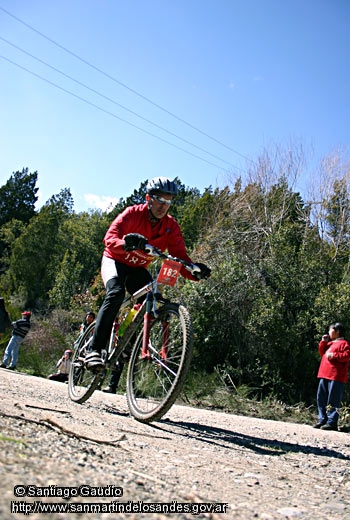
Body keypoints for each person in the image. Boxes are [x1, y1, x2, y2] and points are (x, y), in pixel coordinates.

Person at [85, 176, 211, 393]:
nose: (164, 206)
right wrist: (125, 243)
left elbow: (180, 257)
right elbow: (110, 238)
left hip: (137, 268)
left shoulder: (171, 226)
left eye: (169, 201)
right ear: (148, 199)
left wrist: (194, 272)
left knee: (150, 301)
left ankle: (126, 344)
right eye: (159, 199)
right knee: (115, 294)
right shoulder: (133, 214)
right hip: (115, 259)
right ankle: (94, 350)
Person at [314, 322, 350, 431]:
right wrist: (323, 342)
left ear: (337, 331)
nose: (329, 332)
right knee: (321, 398)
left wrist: (335, 355)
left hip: (336, 375)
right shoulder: (330, 343)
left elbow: (347, 356)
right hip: (324, 374)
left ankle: (332, 422)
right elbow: (322, 353)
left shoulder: (344, 343)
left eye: (331, 330)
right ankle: (322, 419)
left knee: (333, 399)